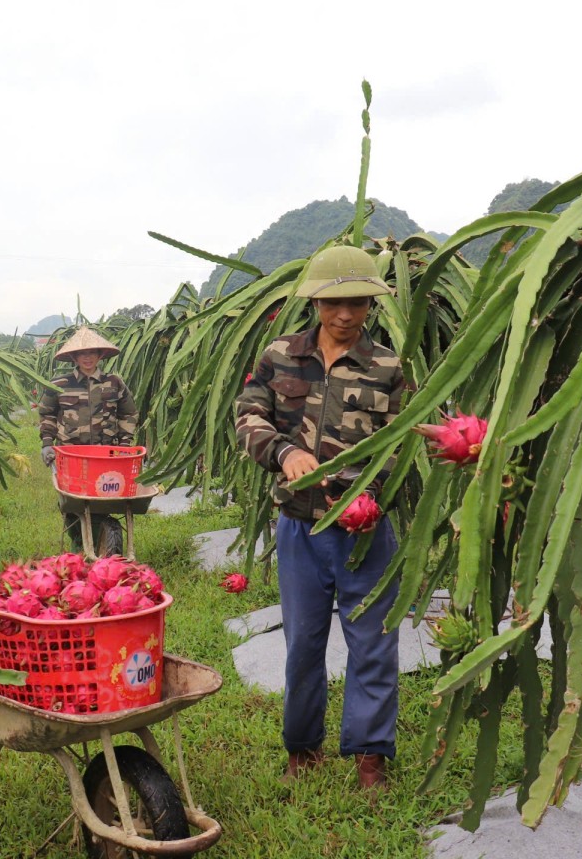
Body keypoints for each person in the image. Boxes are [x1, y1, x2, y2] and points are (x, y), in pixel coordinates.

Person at [233, 244, 406, 790]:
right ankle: (302, 749)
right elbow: (248, 415)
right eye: (335, 304)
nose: (346, 315)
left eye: (358, 303)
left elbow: (398, 442)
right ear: (315, 303)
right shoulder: (279, 356)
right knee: (303, 641)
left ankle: (370, 758)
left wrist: (365, 492)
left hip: (364, 531)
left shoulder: (388, 368)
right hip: (301, 527)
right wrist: (284, 454)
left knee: (373, 639)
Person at [38, 325, 139, 556]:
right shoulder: (59, 384)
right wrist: (46, 443)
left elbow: (129, 413)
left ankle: (103, 541)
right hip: (71, 454)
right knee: (73, 503)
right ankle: (77, 547)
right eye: (82, 353)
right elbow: (47, 414)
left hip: (107, 454)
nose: (87, 357)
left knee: (104, 496)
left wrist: (124, 445)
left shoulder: (114, 382)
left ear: (100, 355)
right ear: (74, 356)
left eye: (92, 352)